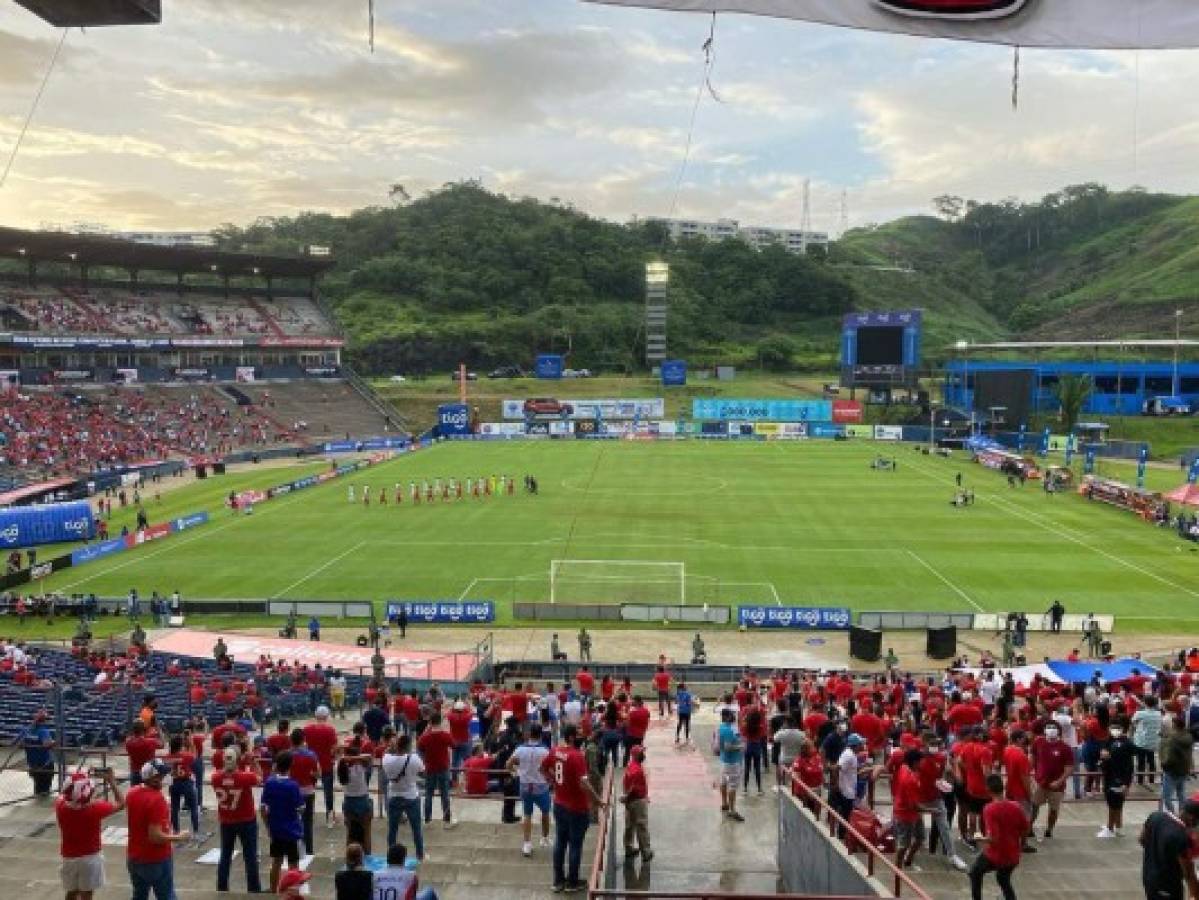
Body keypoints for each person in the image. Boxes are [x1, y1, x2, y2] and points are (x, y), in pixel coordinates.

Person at [544, 724, 605, 892]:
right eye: (577, 734)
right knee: (575, 845)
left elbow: (542, 768)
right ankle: (572, 882)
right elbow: (584, 783)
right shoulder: (577, 756)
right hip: (577, 807)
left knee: (560, 842)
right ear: (571, 737)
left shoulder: (554, 751)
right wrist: (598, 800)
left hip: (559, 804)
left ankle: (558, 881)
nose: (580, 736)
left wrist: (553, 782)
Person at [56, 767, 124, 900]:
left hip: (69, 857)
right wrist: (111, 781)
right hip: (90, 858)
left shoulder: (60, 805)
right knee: (87, 894)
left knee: (71, 892)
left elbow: (67, 795)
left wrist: (83, 777)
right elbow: (121, 803)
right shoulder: (96, 809)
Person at [126, 761, 189, 900]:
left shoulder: (132, 792)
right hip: (155, 858)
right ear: (154, 778)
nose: (167, 777)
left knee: (139, 895)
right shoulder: (157, 799)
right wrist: (179, 837)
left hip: (134, 857)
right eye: (163, 775)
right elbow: (155, 837)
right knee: (166, 895)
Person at [969, 774, 1028, 900]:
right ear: (1003, 787)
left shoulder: (989, 809)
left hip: (996, 855)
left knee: (974, 873)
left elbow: (994, 839)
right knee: (1003, 879)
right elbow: (1025, 828)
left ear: (988, 790)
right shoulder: (1016, 806)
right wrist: (1021, 845)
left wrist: (979, 839)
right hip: (1012, 855)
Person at [212, 748, 262, 893]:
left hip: (226, 821)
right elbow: (259, 777)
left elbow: (225, 776)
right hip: (246, 821)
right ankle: (254, 889)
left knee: (225, 855)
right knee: (250, 857)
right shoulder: (245, 777)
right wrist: (254, 762)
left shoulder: (216, 778)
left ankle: (222, 886)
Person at [260, 750, 306, 893]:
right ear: (290, 765)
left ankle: (273, 890)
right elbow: (301, 807)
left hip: (276, 829)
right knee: (293, 864)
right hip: (291, 830)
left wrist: (267, 826)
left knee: (276, 861)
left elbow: (263, 808)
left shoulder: (270, 782)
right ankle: (294, 891)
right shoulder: (293, 785)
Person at [1141, 799, 1199, 900]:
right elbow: (1188, 873)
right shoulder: (1181, 836)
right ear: (1191, 818)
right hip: (1168, 886)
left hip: (1148, 877)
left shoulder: (1156, 816)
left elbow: (1141, 839)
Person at [509, 723, 551, 857]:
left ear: (529, 734)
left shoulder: (520, 749)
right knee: (545, 812)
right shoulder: (545, 751)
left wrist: (515, 773)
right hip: (541, 786)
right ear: (540, 735)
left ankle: (527, 843)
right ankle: (544, 838)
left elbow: (508, 763)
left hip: (525, 785)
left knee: (527, 814)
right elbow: (550, 768)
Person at [382, 733, 426, 861]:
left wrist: (392, 745)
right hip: (411, 796)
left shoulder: (387, 759)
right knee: (416, 828)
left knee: (392, 829)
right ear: (408, 746)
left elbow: (387, 752)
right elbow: (423, 772)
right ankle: (420, 854)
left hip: (394, 795)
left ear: (397, 746)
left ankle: (390, 855)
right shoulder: (414, 759)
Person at [416, 712, 457, 830]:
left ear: (430, 723)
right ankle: (446, 820)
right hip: (443, 767)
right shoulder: (445, 735)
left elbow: (419, 747)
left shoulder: (425, 737)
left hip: (429, 768)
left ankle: (427, 820)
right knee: (445, 794)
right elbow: (454, 745)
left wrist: (426, 730)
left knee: (429, 794)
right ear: (440, 722)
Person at [303, 706, 339, 826]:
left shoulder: (307, 729)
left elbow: (304, 746)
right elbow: (334, 749)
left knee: (309, 791)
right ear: (327, 716)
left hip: (311, 764)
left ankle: (308, 815)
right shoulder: (330, 730)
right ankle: (329, 818)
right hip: (326, 764)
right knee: (328, 793)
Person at [1098, 720, 1134, 839]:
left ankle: (1110, 828)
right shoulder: (1109, 742)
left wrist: (1126, 783)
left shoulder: (1126, 744)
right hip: (1110, 777)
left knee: (1115, 805)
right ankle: (1117, 827)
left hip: (1118, 779)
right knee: (1115, 804)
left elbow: (1129, 766)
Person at [340, 735, 375, 855]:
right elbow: (369, 757)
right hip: (362, 801)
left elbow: (340, 757)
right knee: (366, 832)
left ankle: (349, 856)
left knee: (350, 833)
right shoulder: (361, 766)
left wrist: (347, 758)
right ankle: (367, 856)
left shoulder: (341, 767)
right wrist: (355, 758)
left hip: (348, 801)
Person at [373, 843, 440, 900]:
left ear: (387, 858)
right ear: (404, 859)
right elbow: (412, 896)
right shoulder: (411, 875)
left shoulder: (374, 874)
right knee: (430, 891)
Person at [164, 735, 200, 838]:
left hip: (174, 783)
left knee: (174, 809)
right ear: (180, 745)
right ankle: (195, 831)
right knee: (193, 807)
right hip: (186, 782)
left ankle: (176, 831)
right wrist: (191, 744)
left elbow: (168, 767)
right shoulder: (186, 755)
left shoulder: (167, 756)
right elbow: (195, 756)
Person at [622, 744, 653, 862]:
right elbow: (633, 788)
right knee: (642, 826)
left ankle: (628, 848)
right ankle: (646, 852)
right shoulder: (637, 770)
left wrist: (626, 798)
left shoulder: (630, 767)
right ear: (636, 755)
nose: (644, 754)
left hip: (630, 802)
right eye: (642, 753)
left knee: (629, 826)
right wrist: (629, 797)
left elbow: (626, 784)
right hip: (637, 801)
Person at [1159, 716, 1194, 815]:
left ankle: (1172, 815)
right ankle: (1183, 815)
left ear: (1174, 725)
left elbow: (1170, 757)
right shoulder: (1188, 736)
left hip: (1172, 771)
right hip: (1184, 770)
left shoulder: (1173, 740)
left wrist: (1164, 764)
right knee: (1181, 795)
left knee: (1166, 796)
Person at [717, 708, 746, 823]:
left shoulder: (722, 727)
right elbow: (728, 747)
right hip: (732, 762)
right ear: (727, 717)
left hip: (724, 760)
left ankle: (724, 803)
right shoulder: (728, 730)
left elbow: (721, 746)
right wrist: (740, 747)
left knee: (723, 782)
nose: (734, 717)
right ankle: (732, 810)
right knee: (732, 786)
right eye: (732, 715)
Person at [22, 709, 55, 796]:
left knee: (37, 785)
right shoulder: (43, 731)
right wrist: (56, 742)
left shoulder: (27, 730)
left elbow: (17, 742)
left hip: (33, 764)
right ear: (44, 721)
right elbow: (46, 744)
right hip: (45, 764)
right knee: (45, 788)